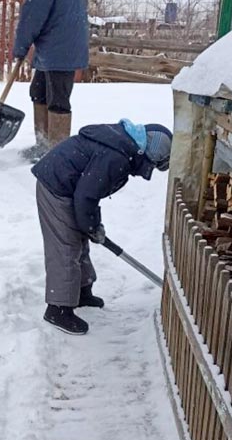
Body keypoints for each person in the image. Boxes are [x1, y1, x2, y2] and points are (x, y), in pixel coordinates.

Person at [31, 119, 172, 334]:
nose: (150, 169)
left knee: (79, 239)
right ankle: (58, 309)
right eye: (154, 164)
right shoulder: (117, 157)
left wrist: (92, 226)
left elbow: (90, 194)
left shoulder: (123, 145)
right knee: (66, 247)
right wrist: (91, 226)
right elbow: (86, 195)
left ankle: (81, 293)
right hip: (55, 186)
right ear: (148, 155)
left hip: (69, 187)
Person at [14, 0, 94, 162]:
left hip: (60, 47)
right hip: (60, 43)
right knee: (38, 91)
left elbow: (32, 17)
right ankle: (44, 145)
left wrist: (20, 47)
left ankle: (57, 153)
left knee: (58, 98)